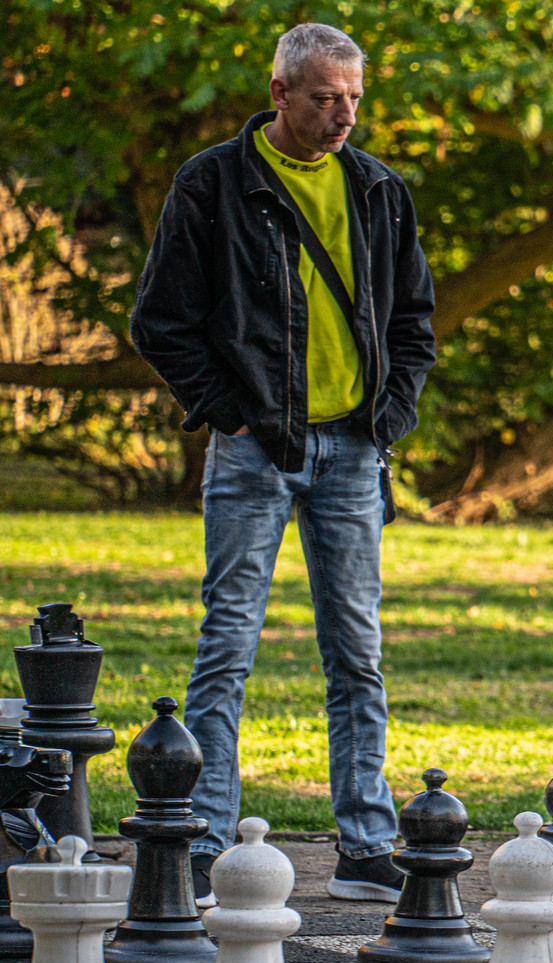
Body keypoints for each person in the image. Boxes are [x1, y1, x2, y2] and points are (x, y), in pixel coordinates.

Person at [128, 23, 436, 906]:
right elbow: (160, 323)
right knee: (227, 648)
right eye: (324, 98)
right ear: (280, 93)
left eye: (354, 99)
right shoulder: (214, 183)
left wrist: (392, 416)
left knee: (358, 653)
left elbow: (414, 321)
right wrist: (231, 413)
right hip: (255, 450)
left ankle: (366, 845)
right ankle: (208, 840)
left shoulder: (378, 188)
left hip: (354, 450)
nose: (343, 115)